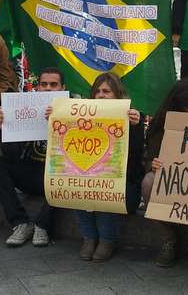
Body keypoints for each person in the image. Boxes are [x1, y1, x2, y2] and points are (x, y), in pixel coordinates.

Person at [47, 72, 143, 262]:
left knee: (104, 185)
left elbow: (135, 156)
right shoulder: (83, 115)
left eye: (106, 91)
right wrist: (54, 118)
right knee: (79, 184)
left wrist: (136, 127)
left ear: (118, 94)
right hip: (88, 177)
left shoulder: (132, 116)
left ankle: (107, 240)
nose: (101, 95)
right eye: (97, 91)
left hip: (124, 188)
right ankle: (89, 237)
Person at [0, 67, 65, 248]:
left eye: (53, 85)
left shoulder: (74, 111)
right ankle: (20, 223)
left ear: (63, 88)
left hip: (57, 175)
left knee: (66, 171)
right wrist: (4, 129)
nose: (47, 89)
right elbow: (12, 155)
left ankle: (42, 225)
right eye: (44, 84)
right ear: (37, 88)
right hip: (31, 172)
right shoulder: (26, 108)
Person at [142, 78, 188, 270]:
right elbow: (149, 157)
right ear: (187, 108)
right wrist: (153, 165)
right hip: (173, 181)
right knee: (149, 182)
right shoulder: (163, 125)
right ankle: (168, 240)